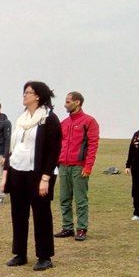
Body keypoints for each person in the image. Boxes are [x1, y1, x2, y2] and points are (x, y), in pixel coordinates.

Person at [0, 81, 61, 271]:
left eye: (28, 92)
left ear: (38, 96)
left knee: (41, 214)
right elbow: (14, 148)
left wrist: (45, 177)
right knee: (18, 214)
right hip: (18, 171)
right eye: (24, 92)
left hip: (38, 174)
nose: (24, 95)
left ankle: (44, 256)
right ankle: (20, 254)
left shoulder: (49, 119)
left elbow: (53, 151)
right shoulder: (21, 119)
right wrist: (6, 173)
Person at [54, 92, 100, 241]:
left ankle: (81, 229)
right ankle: (67, 227)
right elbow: (58, 144)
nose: (65, 104)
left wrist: (88, 167)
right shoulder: (64, 123)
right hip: (63, 166)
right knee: (64, 199)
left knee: (80, 199)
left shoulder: (89, 121)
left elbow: (93, 145)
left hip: (79, 167)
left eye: (68, 102)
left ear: (77, 102)